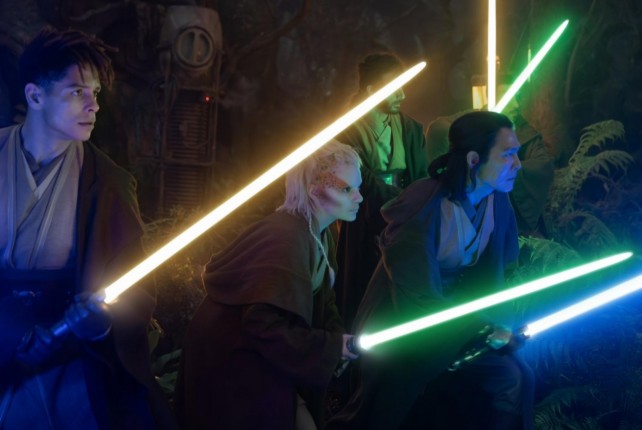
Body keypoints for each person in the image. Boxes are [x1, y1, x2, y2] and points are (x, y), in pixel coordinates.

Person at [0, 28, 175, 429]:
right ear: (35, 96)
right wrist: (12, 333)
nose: (93, 105)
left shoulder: (108, 182)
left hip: (67, 355)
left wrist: (98, 321)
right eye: (77, 92)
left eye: (95, 93)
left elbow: (133, 284)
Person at [327, 111, 534, 430]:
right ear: (474, 159)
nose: (518, 164)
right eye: (507, 154)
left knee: (514, 377)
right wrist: (479, 326)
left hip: (460, 321)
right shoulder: (424, 203)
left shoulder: (497, 201)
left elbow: (494, 277)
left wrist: (501, 322)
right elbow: (415, 295)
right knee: (396, 402)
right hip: (404, 322)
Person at [175, 140, 363, 430]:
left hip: (259, 361)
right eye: (347, 189)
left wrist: (338, 343)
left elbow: (323, 301)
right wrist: (331, 347)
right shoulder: (286, 239)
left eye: (358, 187)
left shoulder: (319, 233)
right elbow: (263, 324)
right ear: (314, 188)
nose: (359, 197)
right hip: (233, 370)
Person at [335, 52, 428, 330]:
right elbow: (361, 179)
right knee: (360, 288)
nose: (401, 94)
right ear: (371, 90)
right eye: (393, 88)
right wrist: (403, 204)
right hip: (362, 217)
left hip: (406, 218)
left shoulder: (411, 129)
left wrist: (413, 205)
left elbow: (420, 175)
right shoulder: (348, 131)